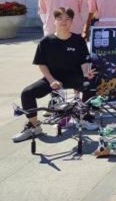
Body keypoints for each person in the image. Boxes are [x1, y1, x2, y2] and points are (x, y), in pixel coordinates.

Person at [12, 8, 97, 143]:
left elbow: (84, 61)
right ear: (54, 21)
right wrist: (51, 80)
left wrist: (86, 73)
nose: (64, 22)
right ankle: (34, 125)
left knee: (90, 84)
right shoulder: (46, 41)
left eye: (67, 19)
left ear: (72, 21)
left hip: (73, 76)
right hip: (53, 78)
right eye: (60, 18)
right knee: (27, 93)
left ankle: (84, 118)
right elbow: (42, 64)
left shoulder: (78, 40)